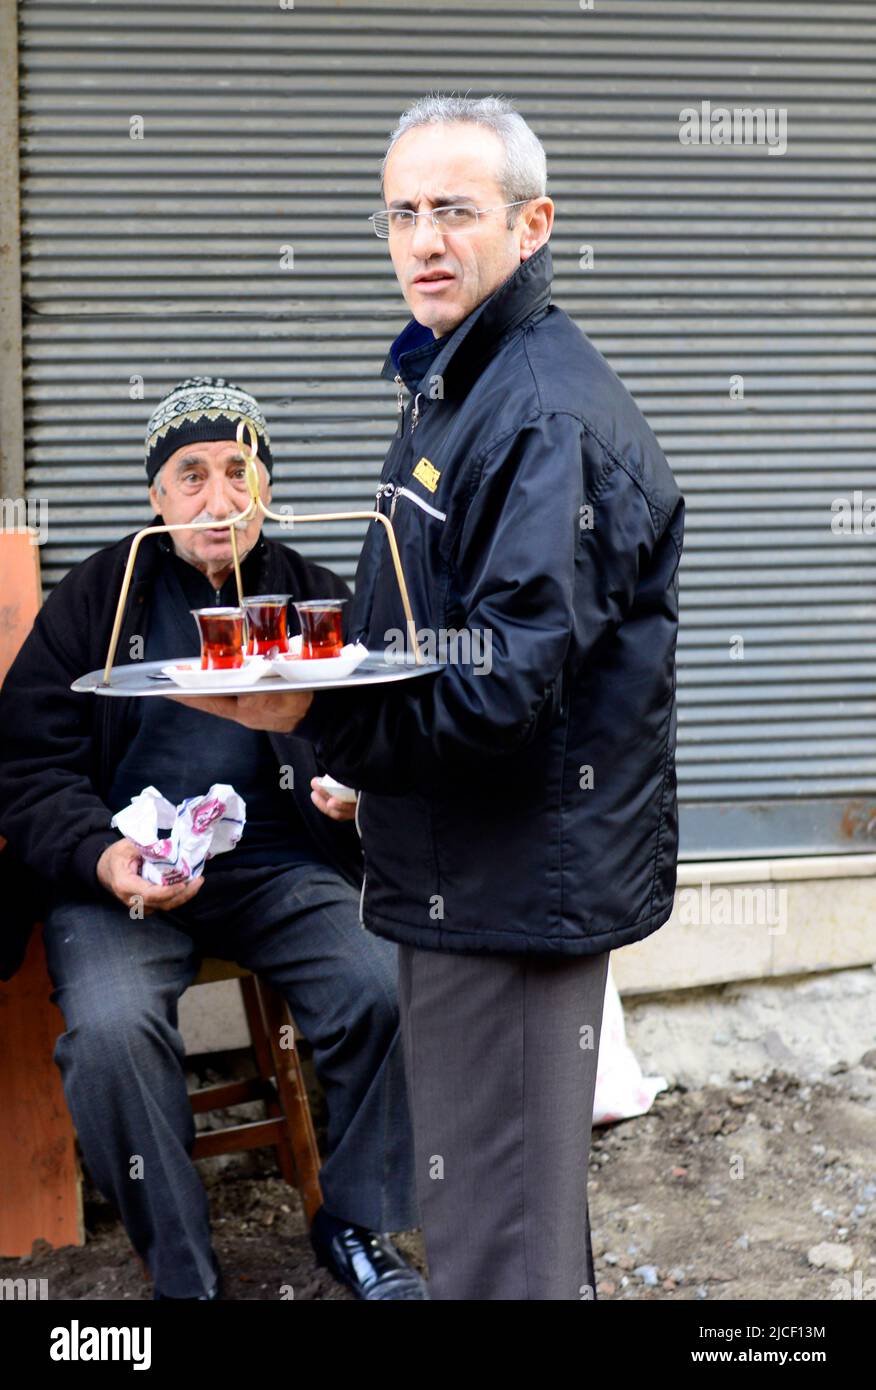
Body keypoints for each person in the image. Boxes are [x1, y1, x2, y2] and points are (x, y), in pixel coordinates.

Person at [161, 93, 686, 1301]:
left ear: (533, 223)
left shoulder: (542, 413)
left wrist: (324, 718)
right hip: (463, 858)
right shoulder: (465, 377)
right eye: (403, 213)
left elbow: (505, 684)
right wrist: (363, 754)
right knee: (508, 1225)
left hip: (512, 882)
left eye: (456, 209)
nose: (424, 240)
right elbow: (443, 623)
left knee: (499, 1242)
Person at [0, 377, 428, 1300]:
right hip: (122, 880)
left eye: (240, 472)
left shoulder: (312, 596)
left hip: (281, 865)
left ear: (266, 487)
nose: (219, 500)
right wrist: (103, 857)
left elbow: (382, 737)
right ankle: (183, 1272)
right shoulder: (97, 600)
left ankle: (356, 1223)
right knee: (111, 1036)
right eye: (191, 476)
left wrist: (356, 789)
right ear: (157, 496)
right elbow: (25, 766)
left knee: (387, 985)